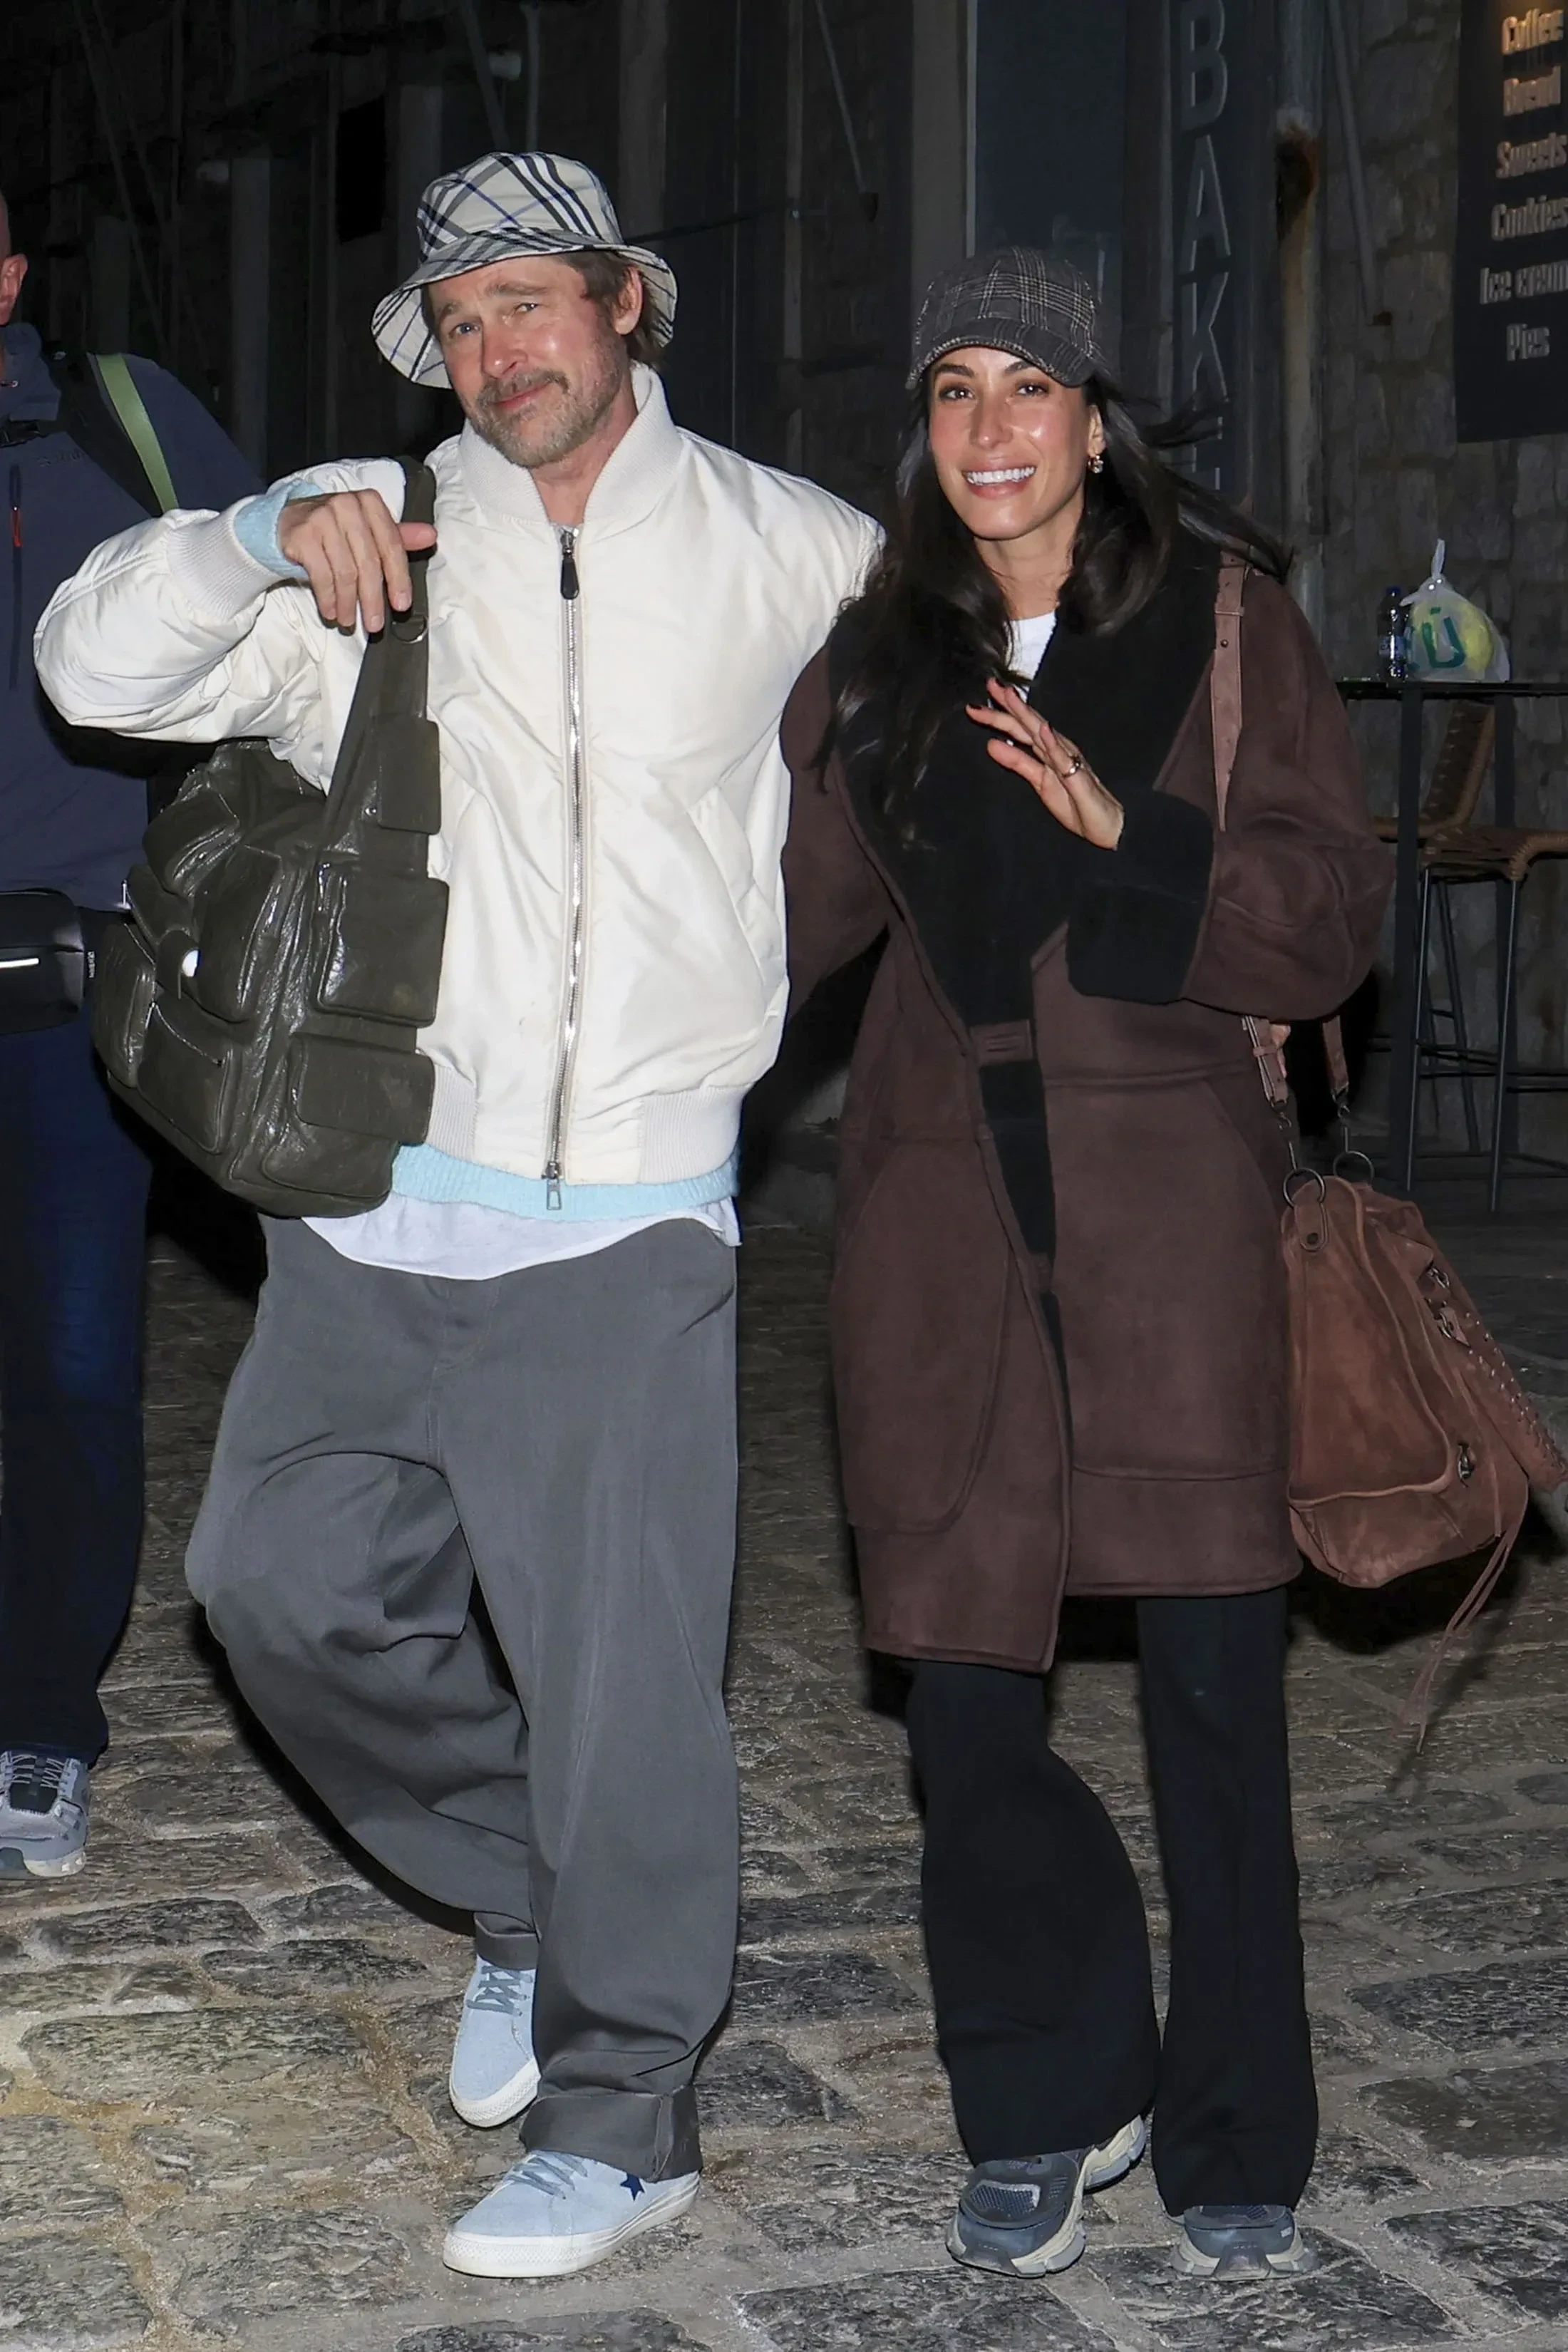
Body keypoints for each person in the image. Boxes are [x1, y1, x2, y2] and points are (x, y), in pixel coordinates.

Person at [36, 151, 876, 2279]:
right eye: (461, 321)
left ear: (623, 305)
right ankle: (519, 1890)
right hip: (373, 1208)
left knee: (624, 1693)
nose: (500, 349)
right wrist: (247, 536)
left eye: (530, 301)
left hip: (626, 1225)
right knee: (269, 1588)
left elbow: (961, 715)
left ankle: (625, 2112)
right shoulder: (378, 542)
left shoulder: (790, 547)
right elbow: (92, 669)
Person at [778, 249, 1390, 2281]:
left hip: (1167, 1221)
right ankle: (1046, 2086)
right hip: (937, 1221)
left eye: (1028, 386)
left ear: (1096, 422)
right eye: (953, 389)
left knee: (1214, 1692)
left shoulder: (1223, 626)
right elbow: (776, 934)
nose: (991, 429)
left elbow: (1326, 919)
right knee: (961, 1697)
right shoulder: (875, 662)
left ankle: (1236, 2126)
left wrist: (1140, 834)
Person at [0, 187, 259, 1881]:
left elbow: (288, 612)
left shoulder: (123, 424)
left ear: (11, 275)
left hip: (68, 994)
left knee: (75, 1372)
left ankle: (38, 1721)